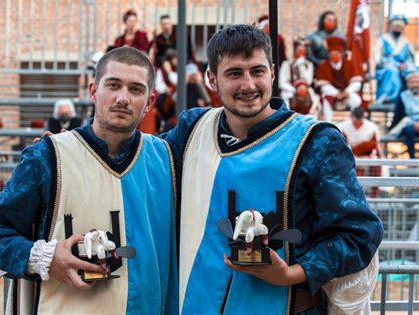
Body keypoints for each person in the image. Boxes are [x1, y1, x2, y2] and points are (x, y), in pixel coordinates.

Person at [161, 24, 382, 314]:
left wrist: (292, 273)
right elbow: (139, 169)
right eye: (234, 73)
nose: (248, 85)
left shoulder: (317, 142)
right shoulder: (192, 130)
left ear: (273, 73)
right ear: (212, 79)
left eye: (257, 71)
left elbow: (358, 233)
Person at [0, 47, 177, 314]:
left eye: (136, 90)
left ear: (150, 101)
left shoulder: (168, 158)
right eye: (113, 85)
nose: (122, 98)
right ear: (93, 91)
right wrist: (44, 258)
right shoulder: (47, 156)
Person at [316, 36, 363, 122]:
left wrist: (347, 92)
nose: (335, 56)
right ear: (329, 55)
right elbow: (323, 86)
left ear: (341, 54)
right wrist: (336, 93)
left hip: (347, 93)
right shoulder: (324, 66)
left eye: (337, 54)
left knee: (356, 100)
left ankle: (352, 122)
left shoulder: (349, 64)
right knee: (326, 100)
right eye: (333, 54)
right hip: (332, 94)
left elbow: (357, 83)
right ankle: (328, 122)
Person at [375, 15, 415, 105]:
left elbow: (410, 58)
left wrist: (406, 65)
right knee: (392, 71)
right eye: (396, 26)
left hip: (403, 66)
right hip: (386, 67)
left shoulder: (405, 42)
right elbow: (378, 59)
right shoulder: (383, 40)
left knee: (413, 71)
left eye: (400, 27)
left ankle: (412, 98)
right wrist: (396, 65)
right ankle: (389, 97)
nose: (398, 28)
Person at [279, 37, 316, 109]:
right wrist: (294, 90)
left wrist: (301, 66)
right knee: (286, 96)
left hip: (304, 89)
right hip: (290, 90)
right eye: (299, 50)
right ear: (295, 50)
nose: (301, 53)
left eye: (303, 51)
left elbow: (308, 81)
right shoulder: (286, 64)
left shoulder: (308, 64)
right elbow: (282, 82)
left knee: (314, 99)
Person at [389, 72, 419, 159]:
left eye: (417, 82)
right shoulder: (403, 96)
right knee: (409, 131)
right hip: (410, 123)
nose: (415, 85)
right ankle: (412, 159)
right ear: (408, 84)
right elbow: (399, 115)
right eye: (412, 82)